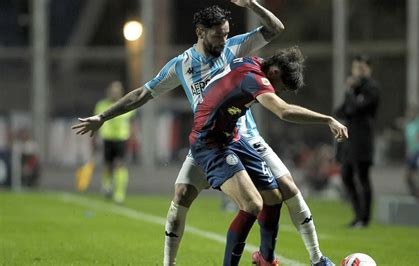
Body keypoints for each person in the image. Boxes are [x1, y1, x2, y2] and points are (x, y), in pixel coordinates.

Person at [72, 2, 333, 265]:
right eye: (218, 35)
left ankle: (310, 258)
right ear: (200, 32)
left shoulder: (233, 47)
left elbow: (275, 28)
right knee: (183, 194)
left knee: (283, 189)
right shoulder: (181, 65)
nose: (224, 39)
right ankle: (169, 262)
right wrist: (103, 116)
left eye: (227, 33)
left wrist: (252, 4)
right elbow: (142, 94)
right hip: (209, 139)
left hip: (244, 136)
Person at [190, 46, 347, 265]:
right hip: (209, 143)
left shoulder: (256, 62)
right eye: (280, 87)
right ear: (273, 72)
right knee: (253, 204)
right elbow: (283, 111)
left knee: (273, 197)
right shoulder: (254, 78)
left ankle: (266, 259)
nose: (278, 92)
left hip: (233, 137)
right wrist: (327, 119)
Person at [335, 54, 379, 228]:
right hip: (349, 140)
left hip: (363, 140)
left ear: (369, 69)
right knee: (346, 176)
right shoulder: (354, 90)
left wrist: (351, 92)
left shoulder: (372, 88)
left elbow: (355, 108)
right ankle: (358, 215)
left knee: (363, 177)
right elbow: (340, 112)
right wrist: (350, 93)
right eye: (355, 68)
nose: (358, 72)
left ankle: (365, 218)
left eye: (361, 68)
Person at [94, 81, 135, 204]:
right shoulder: (101, 105)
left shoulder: (127, 104)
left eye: (117, 90)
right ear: (109, 92)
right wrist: (95, 138)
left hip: (122, 138)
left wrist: (133, 137)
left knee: (120, 164)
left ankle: (119, 193)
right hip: (107, 138)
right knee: (108, 165)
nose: (114, 92)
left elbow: (132, 123)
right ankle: (107, 186)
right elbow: (96, 122)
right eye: (113, 90)